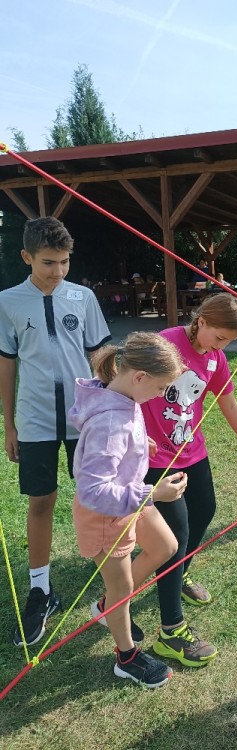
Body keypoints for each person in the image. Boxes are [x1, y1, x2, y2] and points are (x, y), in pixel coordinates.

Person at [0, 217, 111, 648]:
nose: (59, 271)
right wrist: (9, 424)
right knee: (41, 500)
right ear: (26, 257)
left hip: (84, 419)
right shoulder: (8, 301)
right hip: (35, 420)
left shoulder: (82, 297)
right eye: (49, 262)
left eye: (65, 262)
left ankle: (112, 575)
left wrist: (111, 411)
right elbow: (7, 365)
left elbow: (101, 358)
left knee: (96, 496)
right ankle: (40, 590)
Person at [141, 293, 237, 667]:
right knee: (174, 535)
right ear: (202, 321)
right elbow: (129, 386)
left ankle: (178, 573)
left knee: (205, 510)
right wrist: (131, 437)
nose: (221, 347)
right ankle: (171, 632)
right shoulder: (165, 343)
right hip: (155, 457)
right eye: (220, 337)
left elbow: (229, 403)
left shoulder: (216, 359)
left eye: (228, 341)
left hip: (191, 451)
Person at [70, 333, 186, 687]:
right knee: (122, 588)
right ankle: (127, 656)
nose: (161, 395)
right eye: (160, 388)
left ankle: (108, 605)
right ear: (139, 376)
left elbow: (119, 437)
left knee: (165, 546)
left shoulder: (120, 396)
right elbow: (93, 491)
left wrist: (137, 442)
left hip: (129, 498)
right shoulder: (109, 424)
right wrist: (154, 493)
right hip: (107, 515)